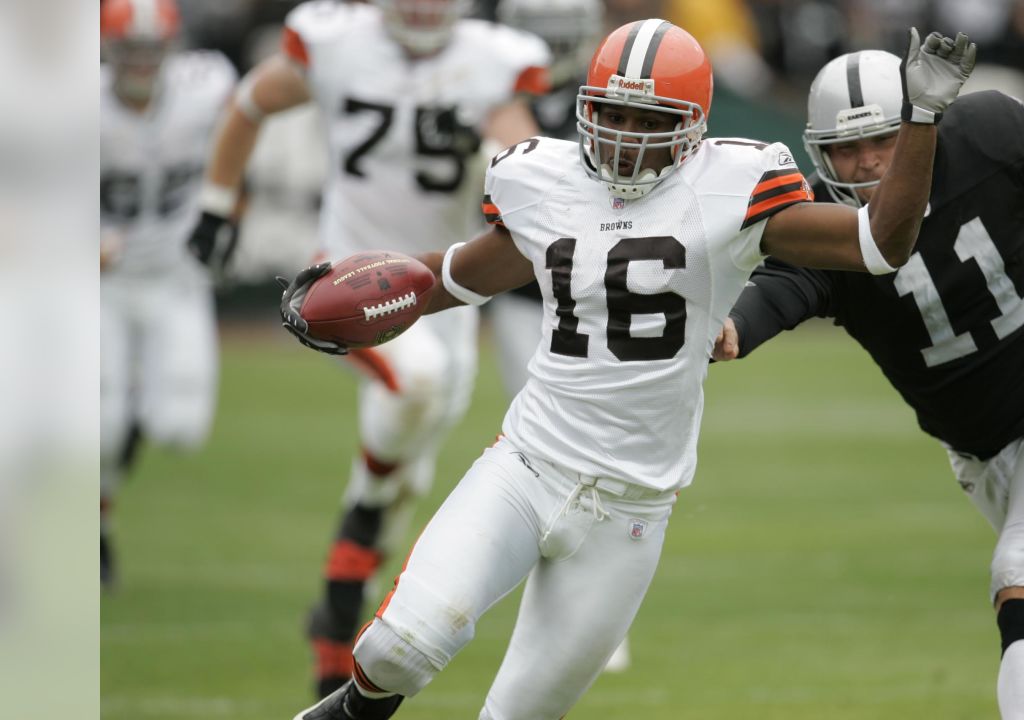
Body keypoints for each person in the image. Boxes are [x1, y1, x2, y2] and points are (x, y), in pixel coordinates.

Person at [280, 19, 976, 720]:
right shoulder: (543, 178)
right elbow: (456, 278)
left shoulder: (731, 185)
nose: (624, 132)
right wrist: (363, 301)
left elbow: (880, 242)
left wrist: (919, 118)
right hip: (528, 464)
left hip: (632, 509)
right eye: (610, 113)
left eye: (648, 117)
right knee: (396, 651)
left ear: (693, 126)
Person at [714, 49, 1024, 719]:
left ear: (919, 126)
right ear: (817, 154)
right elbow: (781, 289)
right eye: (846, 149)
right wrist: (733, 329)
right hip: (985, 459)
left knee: (1021, 577)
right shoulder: (827, 229)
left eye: (883, 139)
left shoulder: (984, 134)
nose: (869, 161)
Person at [193, 0, 551, 698]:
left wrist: (482, 147)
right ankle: (343, 588)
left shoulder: (491, 60)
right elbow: (250, 102)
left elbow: (524, 162)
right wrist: (215, 201)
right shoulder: (337, 42)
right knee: (414, 387)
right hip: (349, 278)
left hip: (442, 291)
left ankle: (337, 604)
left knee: (405, 472)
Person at [490, 0, 635, 674]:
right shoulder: (494, 90)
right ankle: (565, 611)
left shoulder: (613, 93)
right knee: (552, 452)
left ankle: (591, 608)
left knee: (600, 449)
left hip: (601, 299)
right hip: (527, 296)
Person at [100, 0, 238, 588]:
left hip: (178, 277)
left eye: (151, 49)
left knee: (180, 426)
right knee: (98, 425)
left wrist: (226, 212)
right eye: (130, 48)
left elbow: (244, 130)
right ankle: (96, 518)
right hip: (99, 283)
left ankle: (127, 395)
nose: (141, 61)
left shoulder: (206, 88)